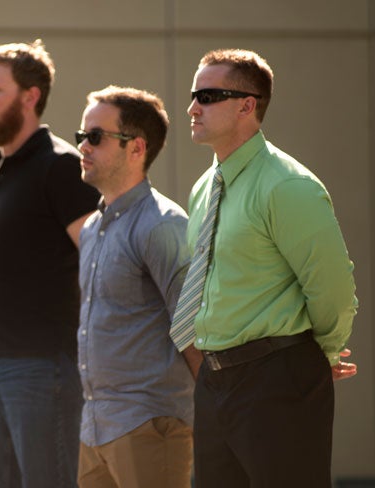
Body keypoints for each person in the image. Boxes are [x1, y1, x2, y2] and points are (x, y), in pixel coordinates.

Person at [171, 49, 358, 487]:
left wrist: (321, 354)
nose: (192, 107)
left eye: (208, 95)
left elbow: (331, 286)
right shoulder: (204, 188)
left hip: (278, 377)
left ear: (246, 104)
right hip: (214, 382)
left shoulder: (288, 185)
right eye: (193, 94)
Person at [0, 40, 99, 488]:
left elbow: (100, 261)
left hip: (42, 368)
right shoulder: (3, 171)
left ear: (31, 97)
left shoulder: (60, 165)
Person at [75, 86, 200, 488]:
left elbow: (194, 329)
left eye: (95, 137)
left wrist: (216, 414)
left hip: (150, 423)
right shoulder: (93, 227)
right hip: (95, 429)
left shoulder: (163, 224)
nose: (83, 147)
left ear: (136, 148)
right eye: (82, 136)